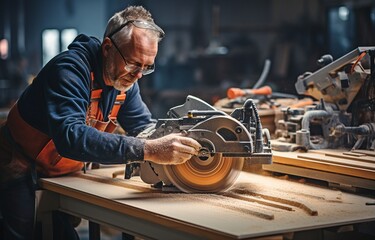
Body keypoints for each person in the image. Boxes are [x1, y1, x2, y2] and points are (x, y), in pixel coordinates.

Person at [0, 5, 201, 240]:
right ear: (107, 48)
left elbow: (144, 128)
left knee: (62, 234)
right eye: (134, 63)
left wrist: (175, 143)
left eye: (147, 67)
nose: (138, 75)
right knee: (21, 233)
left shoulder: (125, 81)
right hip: (19, 161)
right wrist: (149, 150)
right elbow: (71, 137)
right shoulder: (69, 71)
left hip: (61, 170)